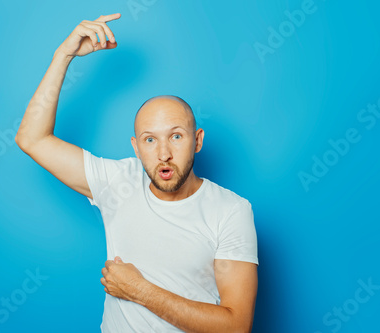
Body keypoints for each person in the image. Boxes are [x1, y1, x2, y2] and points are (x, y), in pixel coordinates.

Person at [15, 13, 258, 333]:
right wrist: (64, 56)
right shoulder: (117, 182)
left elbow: (236, 326)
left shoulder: (231, 211)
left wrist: (139, 290)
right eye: (149, 140)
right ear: (136, 147)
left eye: (176, 136)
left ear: (197, 141)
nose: (163, 153)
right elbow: (32, 139)